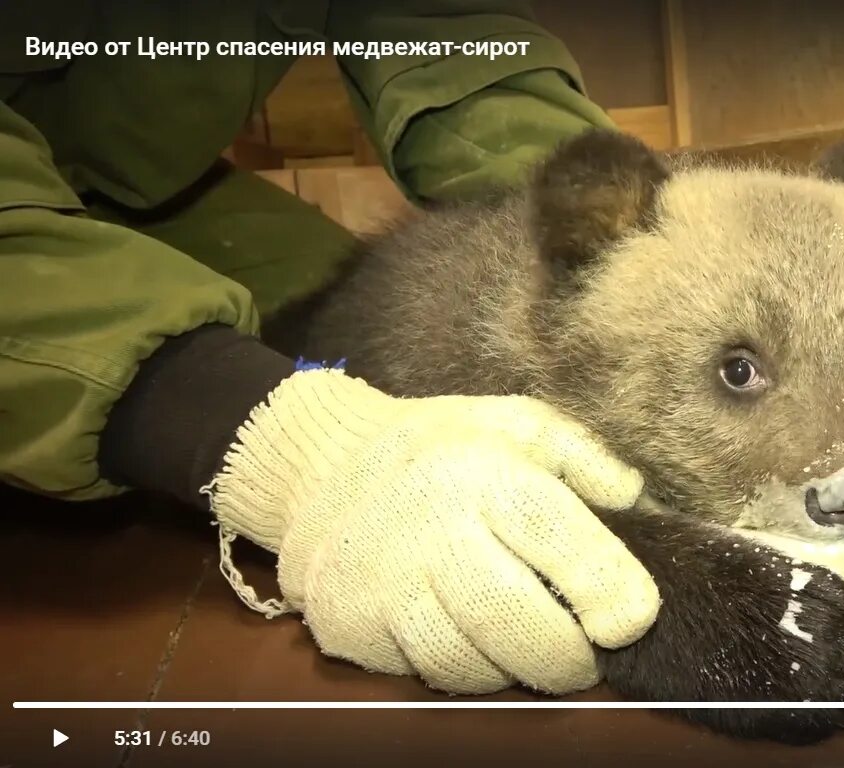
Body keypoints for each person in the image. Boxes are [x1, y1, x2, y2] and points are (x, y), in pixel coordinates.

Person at [0, 1, 661, 698]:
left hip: (144, 190)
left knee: (347, 313)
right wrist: (285, 445)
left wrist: (609, 232)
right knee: (229, 378)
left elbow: (458, 35)